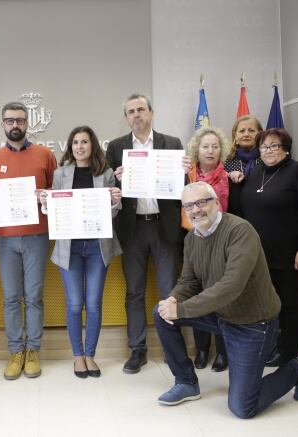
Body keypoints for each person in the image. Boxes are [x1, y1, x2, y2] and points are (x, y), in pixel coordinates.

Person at [152, 182, 298, 418]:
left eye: (201, 202)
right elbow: (189, 281)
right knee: (161, 312)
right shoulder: (192, 238)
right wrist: (173, 301)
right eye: (189, 205)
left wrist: (183, 309)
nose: (195, 210)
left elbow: (232, 286)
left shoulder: (240, 231)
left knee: (242, 408)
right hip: (221, 315)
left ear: (217, 203)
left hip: (253, 323)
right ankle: (186, 383)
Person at [0, 101, 57, 380]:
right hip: (5, 240)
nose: (15, 125)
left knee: (34, 297)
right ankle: (15, 350)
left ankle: (33, 350)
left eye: (20, 120)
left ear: (27, 124)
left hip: (37, 237)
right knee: (10, 298)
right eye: (10, 121)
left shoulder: (45, 155)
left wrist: (48, 197)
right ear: (3, 124)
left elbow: (56, 190)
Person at [105, 93, 184, 374]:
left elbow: (181, 187)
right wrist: (115, 179)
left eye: (141, 109)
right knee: (135, 293)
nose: (136, 115)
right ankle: (137, 350)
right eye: (131, 112)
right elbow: (108, 189)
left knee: (169, 292)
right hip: (132, 228)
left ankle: (172, 350)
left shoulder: (171, 144)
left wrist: (184, 172)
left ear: (151, 112)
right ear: (126, 117)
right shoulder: (116, 148)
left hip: (164, 227)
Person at [40, 126, 122, 378]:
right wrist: (47, 204)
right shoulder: (60, 173)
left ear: (92, 145)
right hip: (70, 248)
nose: (79, 146)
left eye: (84, 142)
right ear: (70, 146)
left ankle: (90, 355)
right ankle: (77, 357)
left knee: (94, 304)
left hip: (98, 246)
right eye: (75, 142)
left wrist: (116, 200)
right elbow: (55, 211)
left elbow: (113, 214)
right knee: (75, 304)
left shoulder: (106, 173)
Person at [240, 128, 298, 366]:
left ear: (286, 149)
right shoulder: (255, 173)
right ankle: (273, 346)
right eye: (264, 147)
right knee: (267, 304)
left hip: (290, 254)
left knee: (291, 304)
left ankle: (291, 353)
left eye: (274, 146)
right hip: (259, 255)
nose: (268, 151)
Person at [183, 126, 233, 372]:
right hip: (194, 240)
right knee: (197, 294)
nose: (210, 150)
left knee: (221, 296)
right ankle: (201, 350)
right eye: (205, 146)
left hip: (222, 241)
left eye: (215, 146)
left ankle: (223, 352)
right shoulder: (188, 175)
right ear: (197, 149)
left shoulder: (231, 176)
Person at [224, 115, 263, 215]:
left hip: (262, 213)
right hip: (235, 216)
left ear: (260, 134)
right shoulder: (225, 161)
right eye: (242, 131)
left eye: (251, 130)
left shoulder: (267, 159)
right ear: (235, 135)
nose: (246, 134)